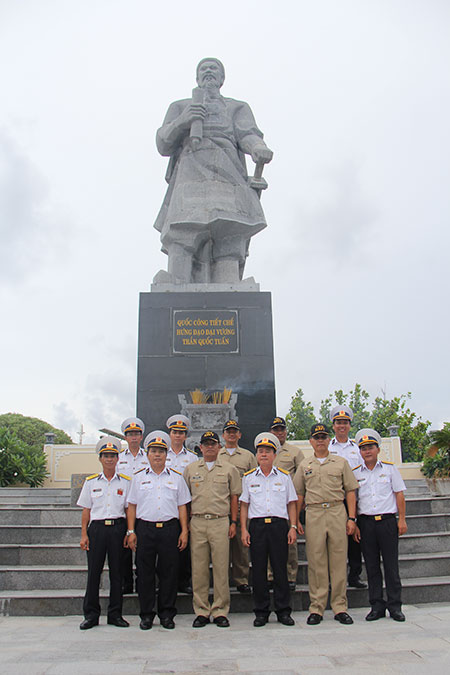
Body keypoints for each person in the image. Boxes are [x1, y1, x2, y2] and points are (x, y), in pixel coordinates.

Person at [154, 57, 273, 284]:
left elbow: (248, 134)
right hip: (191, 171)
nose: (208, 72)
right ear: (197, 78)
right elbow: (163, 143)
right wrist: (183, 121)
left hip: (228, 174)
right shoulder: (180, 106)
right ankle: (176, 281)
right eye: (203, 69)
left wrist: (258, 148)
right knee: (183, 232)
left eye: (214, 68)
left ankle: (229, 285)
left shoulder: (237, 107)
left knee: (229, 236)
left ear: (222, 78)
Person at [293, 423, 358, 626]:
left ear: (328, 439)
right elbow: (299, 495)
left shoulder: (340, 463)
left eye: (323, 436)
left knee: (339, 561)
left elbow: (350, 491)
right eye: (316, 437)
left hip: (337, 511)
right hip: (314, 513)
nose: (320, 440)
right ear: (311, 441)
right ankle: (317, 607)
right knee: (316, 561)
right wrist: (295, 521)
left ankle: (340, 607)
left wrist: (351, 518)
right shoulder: (304, 466)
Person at [126, 430, 190, 630]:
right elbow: (132, 506)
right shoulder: (137, 478)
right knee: (144, 573)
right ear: (148, 454)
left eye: (161, 451)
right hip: (145, 529)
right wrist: (131, 531)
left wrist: (184, 530)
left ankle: (166, 614)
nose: (157, 455)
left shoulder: (177, 478)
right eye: (153, 451)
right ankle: (146, 614)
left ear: (166, 455)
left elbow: (182, 506)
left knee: (169, 573)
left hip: (170, 529)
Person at [183, 430, 241, 627]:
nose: (209, 446)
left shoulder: (229, 469)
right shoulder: (190, 470)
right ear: (200, 447)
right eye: (206, 443)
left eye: (213, 443)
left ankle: (220, 610)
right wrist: (187, 524)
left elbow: (234, 497)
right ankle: (201, 610)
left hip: (220, 522)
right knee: (199, 569)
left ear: (219, 447)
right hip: (198, 522)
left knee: (221, 567)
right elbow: (185, 500)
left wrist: (234, 522)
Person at [240, 432, 298, 627]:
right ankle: (261, 612)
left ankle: (283, 611)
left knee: (280, 569)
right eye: (260, 451)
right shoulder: (248, 478)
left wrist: (293, 526)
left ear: (274, 455)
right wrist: (244, 530)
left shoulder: (284, 476)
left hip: (278, 526)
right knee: (258, 571)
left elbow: (292, 503)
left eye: (268, 451)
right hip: (256, 527)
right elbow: (244, 505)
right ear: (256, 455)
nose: (264, 454)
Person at [353, 428, 407, 622]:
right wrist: (355, 523)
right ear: (360, 451)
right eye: (364, 448)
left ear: (378, 449)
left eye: (370, 447)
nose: (367, 451)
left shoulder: (390, 469)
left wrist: (401, 519)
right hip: (366, 523)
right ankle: (376, 606)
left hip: (387, 521)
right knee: (372, 567)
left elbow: (399, 494)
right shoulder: (356, 474)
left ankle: (395, 606)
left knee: (391, 566)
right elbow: (354, 500)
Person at [77, 436, 131, 630]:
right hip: (97, 529)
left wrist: (129, 531)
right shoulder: (91, 483)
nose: (109, 459)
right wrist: (84, 534)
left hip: (118, 528)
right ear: (100, 459)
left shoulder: (125, 482)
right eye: (106, 456)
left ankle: (115, 614)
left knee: (117, 573)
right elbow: (86, 510)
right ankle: (91, 615)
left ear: (118, 459)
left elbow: (128, 510)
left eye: (112, 456)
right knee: (94, 573)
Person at [328, 405, 366, 589]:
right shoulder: (327, 447)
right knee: (333, 537)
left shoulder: (358, 449)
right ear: (333, 426)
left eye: (345, 423)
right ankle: (333, 576)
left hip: (354, 496)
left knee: (354, 536)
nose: (341, 426)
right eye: (338, 423)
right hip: (333, 496)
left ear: (350, 425)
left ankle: (355, 574)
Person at [218, 419, 257, 593]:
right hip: (221, 508)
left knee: (241, 547)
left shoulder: (248, 456)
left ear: (239, 435)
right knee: (222, 547)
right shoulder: (217, 455)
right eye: (228, 431)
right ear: (223, 435)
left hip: (242, 507)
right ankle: (222, 580)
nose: (232, 434)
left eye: (234, 431)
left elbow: (256, 480)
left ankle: (242, 579)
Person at [270, 416, 304, 590]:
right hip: (269, 504)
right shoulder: (263, 450)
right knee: (268, 541)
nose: (279, 432)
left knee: (290, 541)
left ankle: (291, 575)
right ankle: (270, 576)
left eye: (282, 429)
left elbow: (302, 477)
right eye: (276, 430)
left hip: (288, 502)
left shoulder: (295, 452)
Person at [165, 413, 198, 594]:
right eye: (174, 432)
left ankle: (183, 581)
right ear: (169, 434)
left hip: (185, 506)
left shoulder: (192, 458)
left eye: (181, 432)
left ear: (186, 436)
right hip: (166, 505)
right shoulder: (161, 453)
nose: (178, 435)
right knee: (166, 546)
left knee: (184, 547)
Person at [118, 417, 148, 594]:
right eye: (130, 434)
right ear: (126, 437)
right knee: (123, 549)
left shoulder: (149, 457)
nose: (134, 438)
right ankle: (126, 582)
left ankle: (141, 581)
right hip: (123, 509)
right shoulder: (119, 458)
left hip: (143, 509)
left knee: (143, 550)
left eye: (137, 434)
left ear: (142, 436)